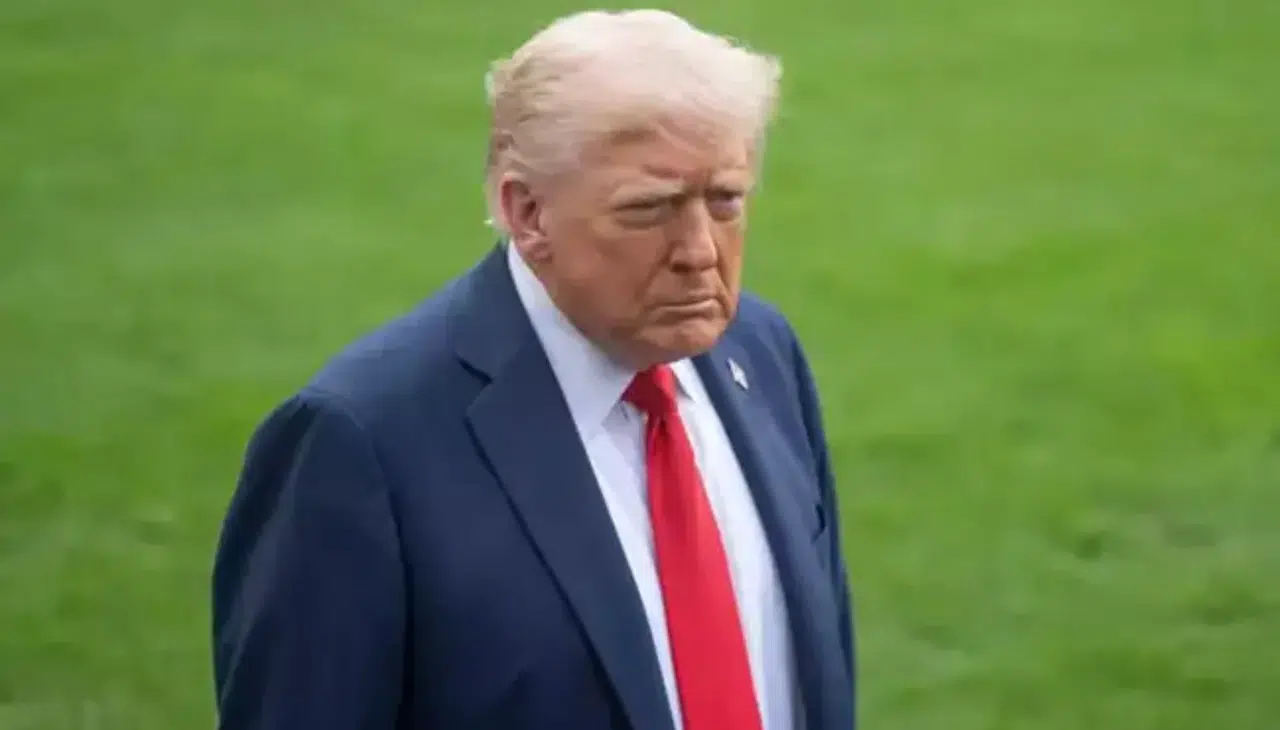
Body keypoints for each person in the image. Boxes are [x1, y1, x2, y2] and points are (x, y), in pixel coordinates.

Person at [211, 9, 855, 730]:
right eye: (650, 210)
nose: (700, 251)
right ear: (527, 212)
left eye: (725, 200)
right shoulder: (359, 443)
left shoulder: (760, 354)